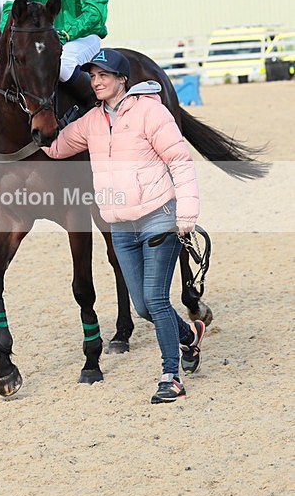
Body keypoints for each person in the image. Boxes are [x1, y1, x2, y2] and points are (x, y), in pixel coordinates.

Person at [43, 48, 205, 404]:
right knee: (144, 307)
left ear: (122, 79)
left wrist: (187, 214)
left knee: (156, 300)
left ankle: (171, 377)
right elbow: (56, 147)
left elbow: (179, 160)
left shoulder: (151, 111)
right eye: (93, 76)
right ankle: (190, 336)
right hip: (121, 226)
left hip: (159, 216)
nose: (96, 82)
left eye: (104, 75)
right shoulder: (91, 121)